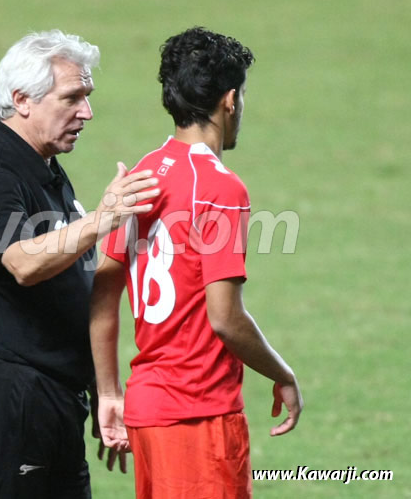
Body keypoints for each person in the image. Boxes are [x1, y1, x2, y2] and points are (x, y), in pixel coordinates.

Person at [0, 30, 160, 498]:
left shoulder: (43, 170)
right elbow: (22, 262)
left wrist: (101, 388)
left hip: (48, 394)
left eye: (87, 96)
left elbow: (68, 286)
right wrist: (102, 219)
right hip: (10, 394)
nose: (87, 112)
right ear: (22, 100)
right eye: (72, 97)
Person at [90, 27, 304, 498]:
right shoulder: (221, 188)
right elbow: (225, 318)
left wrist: (108, 392)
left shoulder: (142, 174)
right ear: (230, 100)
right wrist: (282, 374)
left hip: (147, 411)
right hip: (198, 415)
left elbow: (104, 290)